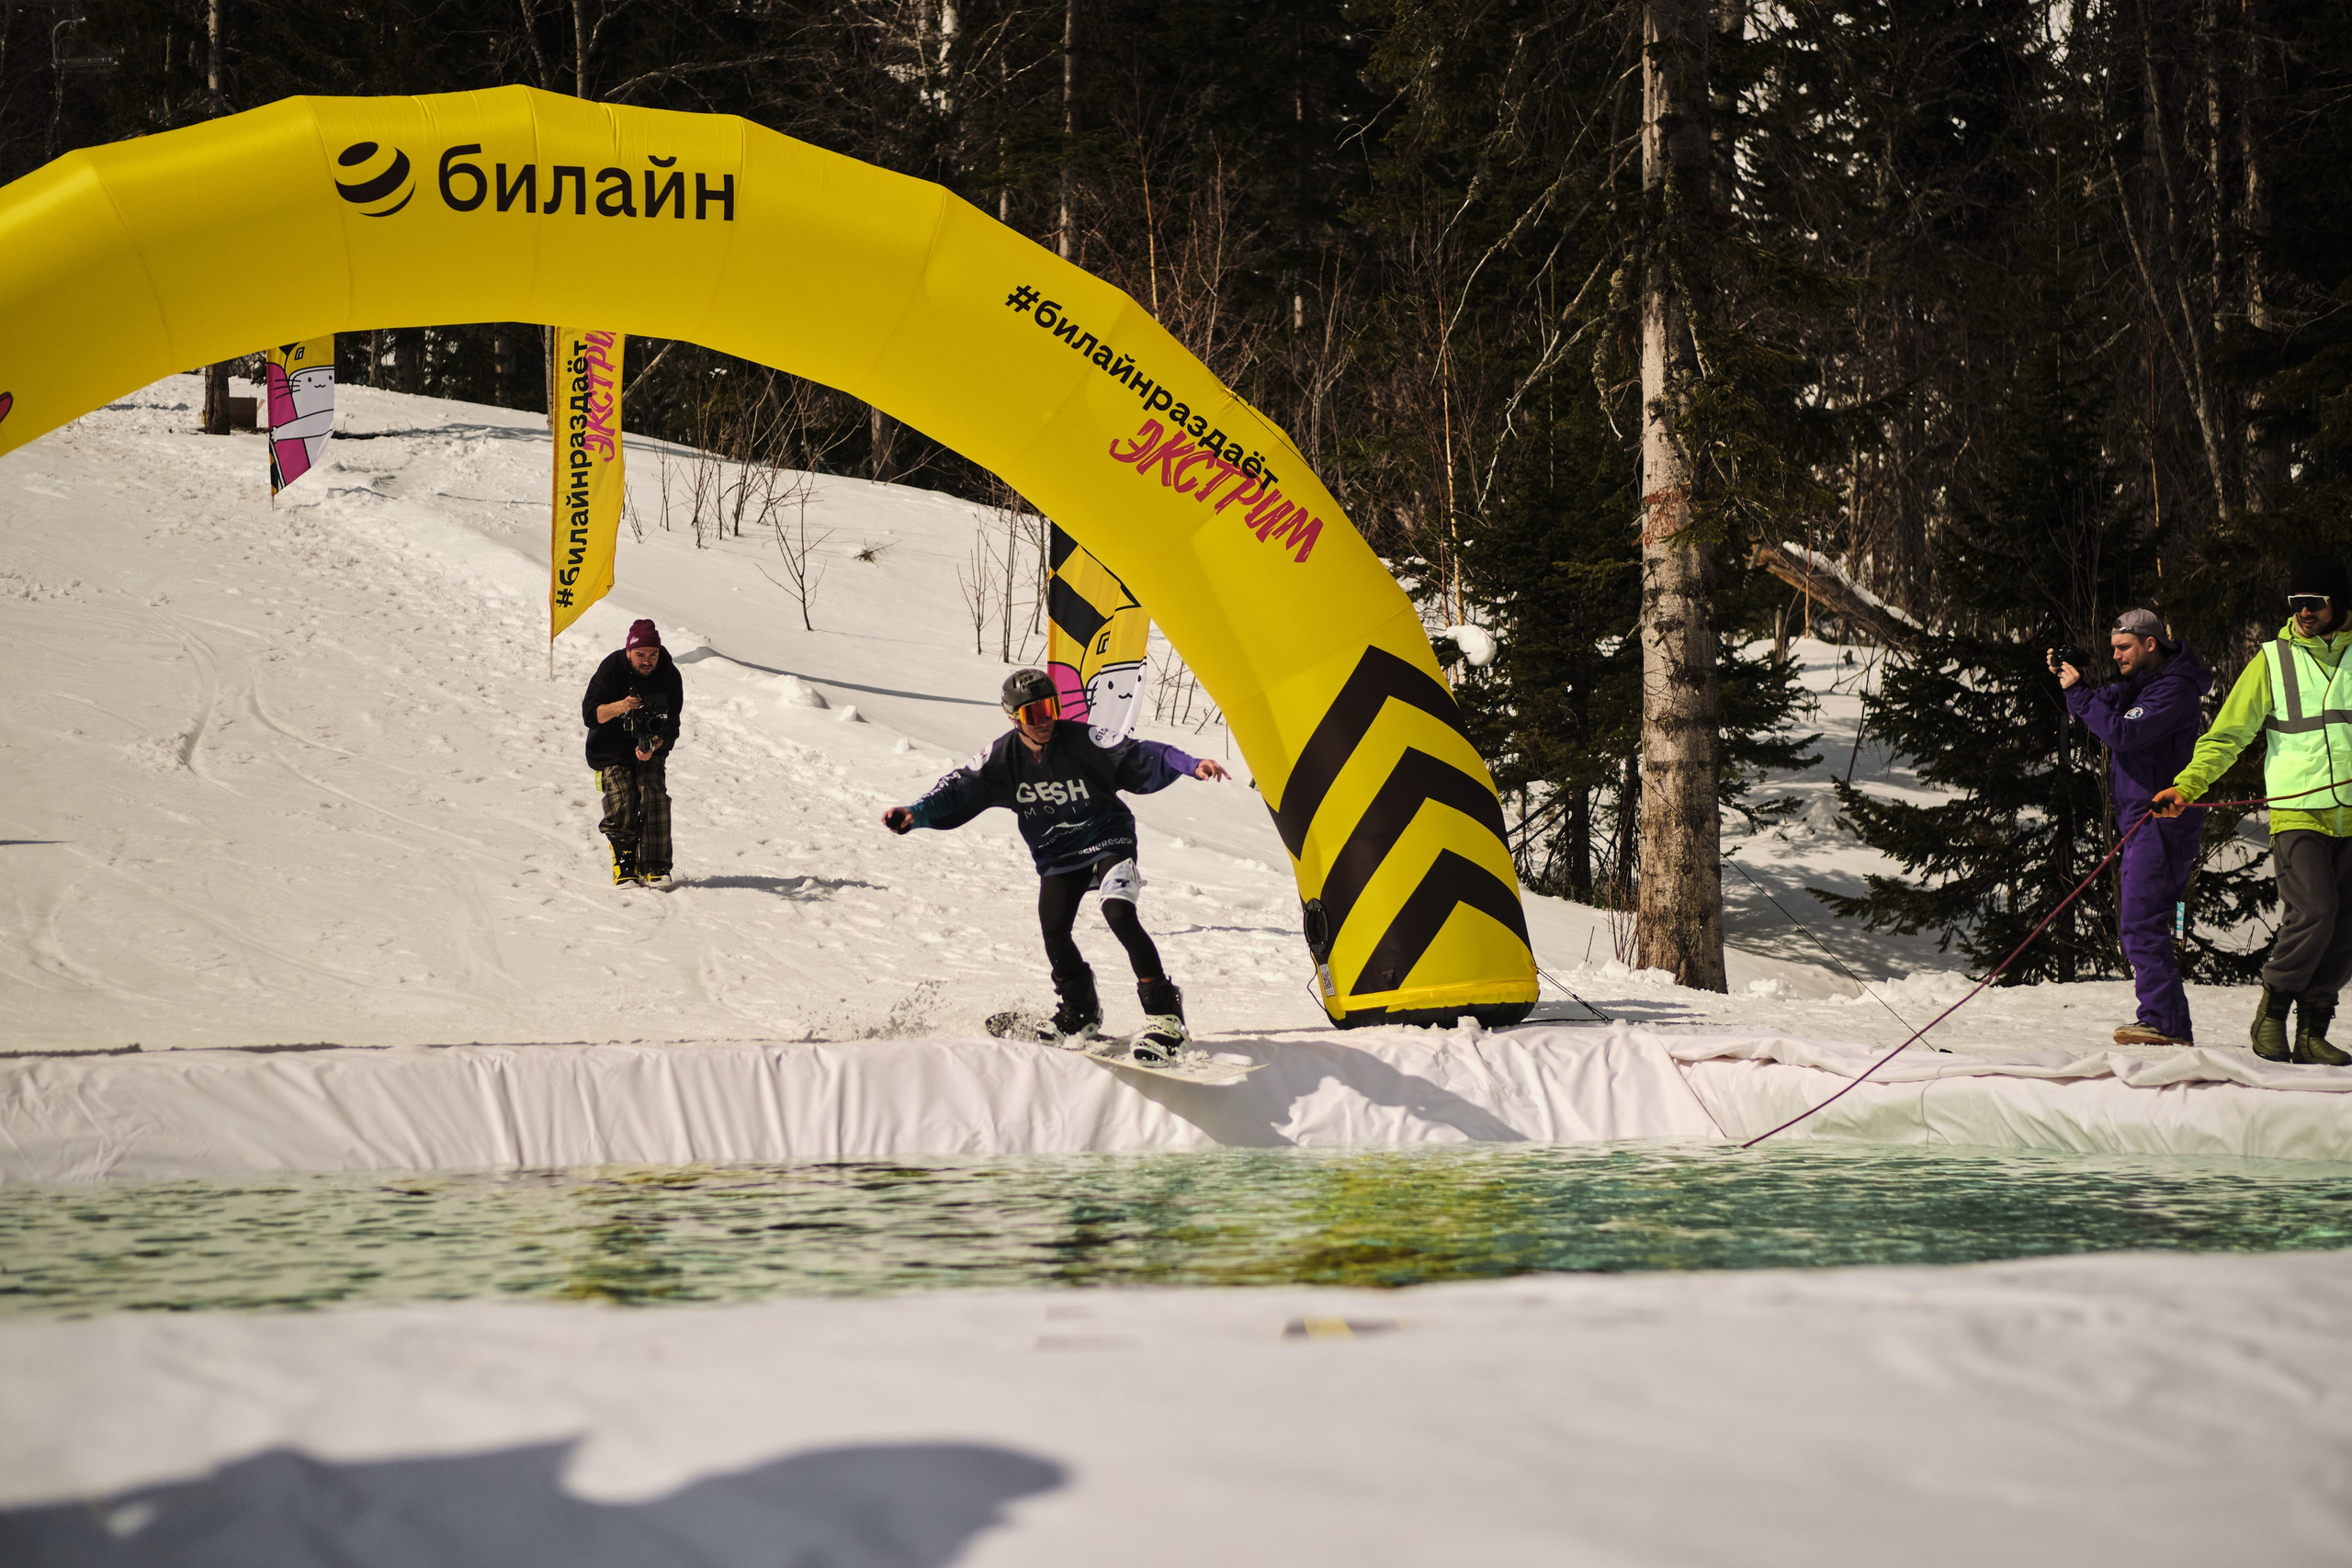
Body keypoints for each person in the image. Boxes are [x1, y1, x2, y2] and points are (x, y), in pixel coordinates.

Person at [882, 667, 1230, 1062]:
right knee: (1053, 929)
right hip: (1059, 854)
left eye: (1050, 708)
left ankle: (1165, 1016)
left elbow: (1141, 754)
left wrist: (1189, 763)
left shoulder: (1085, 740)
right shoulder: (1002, 758)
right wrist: (916, 813)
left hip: (1108, 837)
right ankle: (1080, 1011)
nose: (1045, 720)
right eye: (1033, 714)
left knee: (1118, 912)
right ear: (1014, 719)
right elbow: (958, 789)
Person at [2154, 558, 2352, 1065]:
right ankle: (2272, 1010)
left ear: (2339, 603)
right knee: (2315, 911)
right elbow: (2227, 735)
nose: (2304, 612)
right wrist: (2187, 786)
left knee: (2345, 925)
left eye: (2315, 603)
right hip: (2297, 812)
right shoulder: (2273, 660)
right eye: (2296, 603)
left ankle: (2312, 1031)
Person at [2049, 608, 2212, 1045]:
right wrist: (2073, 678)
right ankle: (2166, 1021)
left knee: (2142, 922)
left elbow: (2123, 733)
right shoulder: (2143, 684)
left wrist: (2080, 694)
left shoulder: (2174, 689)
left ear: (2150, 643)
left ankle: (2164, 1021)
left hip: (2162, 823)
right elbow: (2103, 704)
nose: (2117, 655)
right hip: (2142, 822)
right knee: (2141, 922)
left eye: (2124, 647)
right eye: (2113, 648)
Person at [582, 618, 684, 886]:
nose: (647, 661)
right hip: (610, 747)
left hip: (650, 745)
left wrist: (655, 745)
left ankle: (656, 865)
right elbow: (590, 715)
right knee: (624, 798)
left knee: (654, 796)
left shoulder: (669, 675)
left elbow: (672, 726)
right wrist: (621, 706)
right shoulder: (611, 669)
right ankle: (625, 862)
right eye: (640, 654)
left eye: (653, 654)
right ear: (628, 652)